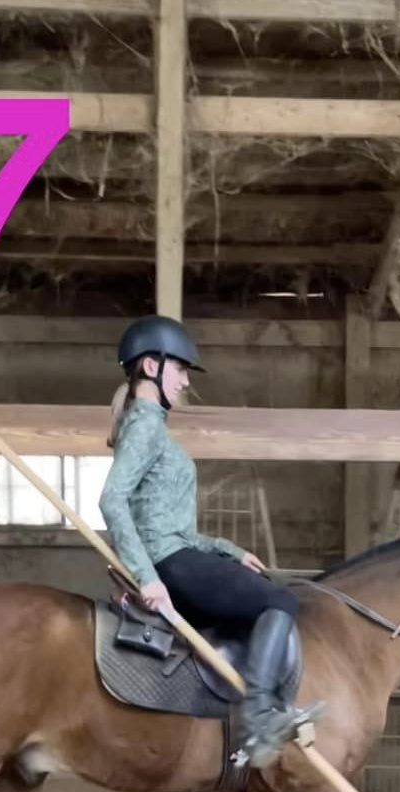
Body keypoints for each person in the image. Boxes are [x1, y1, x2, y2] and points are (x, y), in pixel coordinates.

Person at [99, 314, 311, 767]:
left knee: (258, 602)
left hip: (180, 552)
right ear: (151, 367)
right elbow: (112, 500)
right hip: (170, 562)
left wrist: (231, 551)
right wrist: (146, 577)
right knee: (282, 603)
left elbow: (178, 527)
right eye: (179, 369)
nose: (184, 382)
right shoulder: (146, 426)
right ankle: (259, 714)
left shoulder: (150, 426)